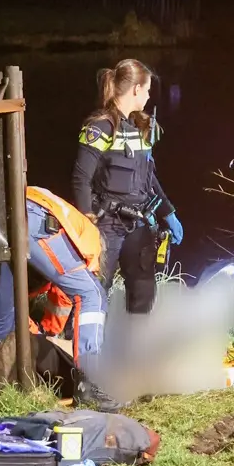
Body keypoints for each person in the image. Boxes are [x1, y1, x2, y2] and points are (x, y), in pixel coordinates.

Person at [71, 59, 183, 317]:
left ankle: (136, 340)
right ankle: (81, 341)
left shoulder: (141, 129)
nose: (148, 96)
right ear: (135, 89)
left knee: (144, 291)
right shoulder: (100, 127)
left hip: (139, 223)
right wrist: (87, 222)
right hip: (106, 224)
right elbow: (80, 178)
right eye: (147, 90)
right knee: (94, 292)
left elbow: (149, 179)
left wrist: (168, 213)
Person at [0, 186, 107, 365]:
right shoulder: (90, 241)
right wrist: (49, 334)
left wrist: (37, 332)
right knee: (92, 293)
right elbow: (62, 298)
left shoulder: (70, 219)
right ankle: (91, 374)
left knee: (4, 319)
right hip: (34, 218)